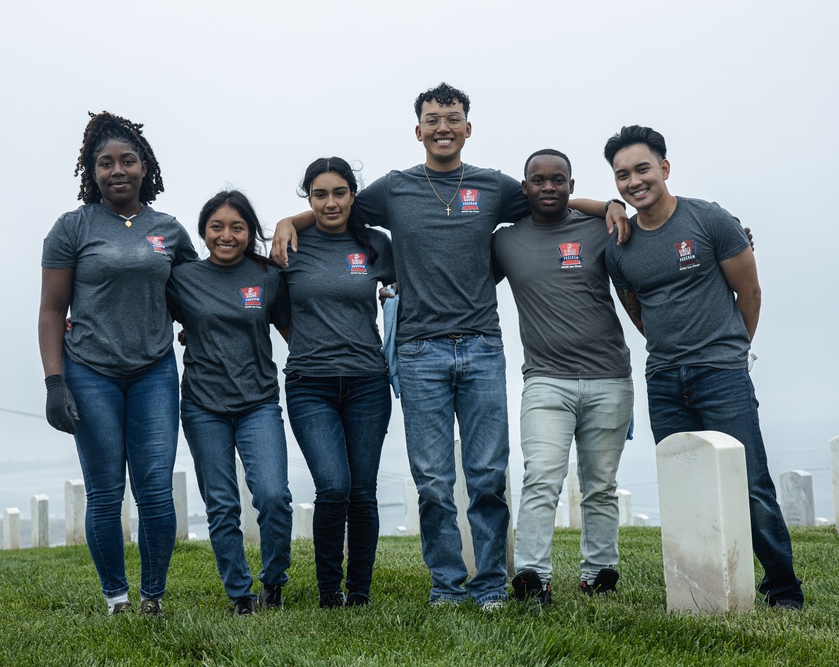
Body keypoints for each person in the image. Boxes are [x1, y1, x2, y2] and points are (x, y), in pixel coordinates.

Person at [272, 83, 629, 609]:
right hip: (419, 351)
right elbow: (336, 206)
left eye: (452, 118)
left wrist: (610, 204)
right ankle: (446, 587)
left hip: (484, 346)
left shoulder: (492, 186)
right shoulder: (394, 189)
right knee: (434, 482)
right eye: (433, 119)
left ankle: (488, 586)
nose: (443, 127)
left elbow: (546, 194)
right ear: (418, 131)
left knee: (487, 478)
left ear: (468, 127)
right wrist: (287, 219)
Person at [602, 125, 804, 610]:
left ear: (665, 169)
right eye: (622, 175)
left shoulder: (709, 219)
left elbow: (749, 293)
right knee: (683, 484)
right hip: (664, 379)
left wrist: (732, 352)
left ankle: (782, 587)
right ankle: (698, 588)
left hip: (722, 374)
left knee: (751, 482)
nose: (634, 182)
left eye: (643, 169)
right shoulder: (619, 244)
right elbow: (635, 307)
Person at [39, 111, 198, 617]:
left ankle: (152, 595)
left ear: (145, 166)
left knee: (155, 487)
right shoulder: (72, 228)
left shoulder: (168, 230)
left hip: (154, 370)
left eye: (128, 160)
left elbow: (198, 291)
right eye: (105, 163)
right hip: (91, 371)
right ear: (92, 171)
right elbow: (50, 310)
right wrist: (54, 382)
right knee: (105, 491)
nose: (118, 170)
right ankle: (117, 597)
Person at [492, 149, 634, 606]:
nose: (548, 187)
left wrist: (612, 204)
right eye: (539, 180)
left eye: (558, 180)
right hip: (545, 380)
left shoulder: (600, 230)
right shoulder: (504, 241)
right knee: (542, 478)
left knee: (600, 484)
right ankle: (533, 576)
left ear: (572, 186)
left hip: (610, 378)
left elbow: (649, 245)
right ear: (525, 187)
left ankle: (599, 573)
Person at [167, 190, 293, 616]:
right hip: (203, 406)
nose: (226, 235)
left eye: (236, 227)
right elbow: (138, 305)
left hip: (259, 402)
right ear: (203, 231)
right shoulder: (182, 279)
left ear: (249, 232)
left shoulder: (268, 276)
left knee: (274, 496)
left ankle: (273, 581)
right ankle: (240, 593)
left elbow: (296, 329)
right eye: (216, 226)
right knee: (222, 505)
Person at [282, 158, 395, 608]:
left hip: (368, 380)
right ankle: (330, 591)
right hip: (310, 383)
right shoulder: (289, 244)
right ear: (308, 199)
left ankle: (360, 592)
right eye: (320, 195)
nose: (331, 203)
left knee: (362, 492)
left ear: (354, 194)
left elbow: (408, 292)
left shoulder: (376, 245)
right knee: (333, 487)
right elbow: (263, 303)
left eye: (340, 193)